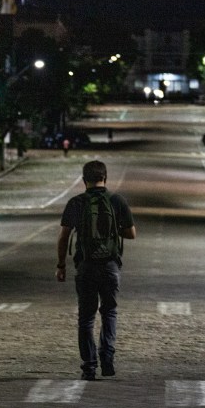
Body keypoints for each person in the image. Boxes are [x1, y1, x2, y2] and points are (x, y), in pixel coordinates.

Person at [56, 160, 137, 380]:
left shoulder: (76, 203)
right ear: (105, 178)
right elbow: (131, 234)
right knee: (109, 311)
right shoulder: (116, 201)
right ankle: (107, 356)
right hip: (110, 266)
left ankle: (89, 366)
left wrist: (61, 265)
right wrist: (112, 231)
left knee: (86, 318)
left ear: (84, 181)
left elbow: (64, 237)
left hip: (86, 266)